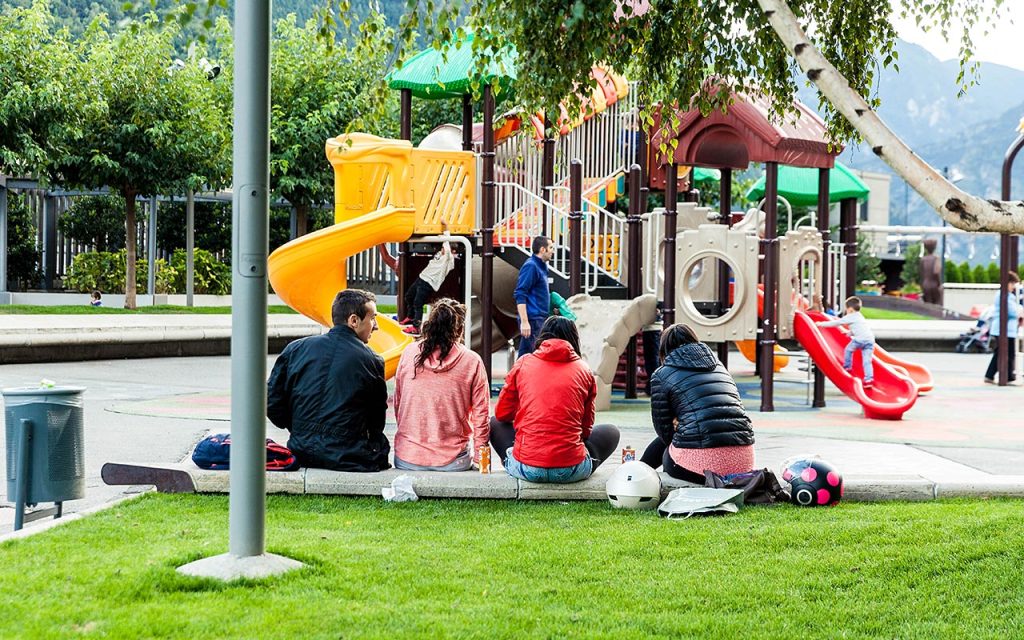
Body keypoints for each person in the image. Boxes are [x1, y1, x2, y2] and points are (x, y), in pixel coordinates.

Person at [267, 289, 390, 472]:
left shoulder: (296, 349)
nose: (376, 326)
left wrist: (301, 428)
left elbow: (272, 402)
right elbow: (376, 420)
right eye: (372, 318)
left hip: (301, 448)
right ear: (354, 320)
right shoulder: (371, 360)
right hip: (347, 455)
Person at [489, 316, 620, 483]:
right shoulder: (584, 370)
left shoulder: (523, 363)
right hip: (571, 469)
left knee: (494, 422)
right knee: (611, 431)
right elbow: (585, 429)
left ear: (542, 336)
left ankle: (514, 461)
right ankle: (581, 461)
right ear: (574, 339)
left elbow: (502, 414)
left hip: (527, 468)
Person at [640, 324, 755, 482]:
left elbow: (664, 430)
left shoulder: (661, 374)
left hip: (702, 468)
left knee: (667, 450)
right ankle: (637, 468)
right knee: (680, 435)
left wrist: (680, 428)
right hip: (744, 461)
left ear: (663, 349)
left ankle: (635, 472)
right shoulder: (720, 367)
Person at [393, 298, 490, 471]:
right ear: (460, 329)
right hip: (453, 462)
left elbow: (398, 403)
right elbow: (481, 415)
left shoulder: (409, 353)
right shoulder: (472, 361)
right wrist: (480, 461)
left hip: (407, 457)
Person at [401, 231, 457, 335]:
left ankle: (416, 327)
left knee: (418, 303)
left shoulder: (449, 260)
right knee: (409, 296)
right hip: (421, 278)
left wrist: (446, 229)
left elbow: (447, 245)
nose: (442, 250)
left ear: (452, 251)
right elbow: (445, 245)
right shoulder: (441, 254)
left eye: (444, 248)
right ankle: (411, 316)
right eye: (442, 248)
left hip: (428, 283)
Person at [817, 295, 876, 388]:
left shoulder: (850, 316)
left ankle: (847, 367)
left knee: (848, 350)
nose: (846, 311)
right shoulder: (860, 316)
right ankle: (869, 379)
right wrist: (849, 332)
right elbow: (860, 328)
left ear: (850, 309)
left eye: (847, 309)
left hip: (859, 341)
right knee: (867, 361)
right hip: (870, 341)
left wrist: (821, 324)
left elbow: (836, 323)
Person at [514, 236, 552, 357]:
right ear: (542, 249)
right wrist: (525, 322)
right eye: (551, 247)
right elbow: (520, 293)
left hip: (539, 319)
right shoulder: (531, 266)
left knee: (530, 356)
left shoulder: (542, 266)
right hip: (533, 320)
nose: (553, 251)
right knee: (531, 357)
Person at [984, 271, 1021, 385]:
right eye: (1012, 283)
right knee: (1007, 354)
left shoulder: (1005, 295)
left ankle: (990, 375)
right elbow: (1012, 311)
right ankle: (1008, 377)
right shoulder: (1005, 295)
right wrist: (1020, 312)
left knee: (1000, 353)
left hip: (1003, 329)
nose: (1013, 287)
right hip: (1004, 330)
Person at [920, 238, 942, 305]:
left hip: (925, 285)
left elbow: (921, 274)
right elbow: (936, 272)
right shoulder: (936, 258)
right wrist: (939, 284)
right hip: (934, 285)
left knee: (928, 305)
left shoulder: (923, 260)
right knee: (937, 305)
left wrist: (922, 286)